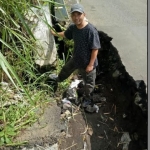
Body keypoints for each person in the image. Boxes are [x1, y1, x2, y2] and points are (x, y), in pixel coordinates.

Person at [51, 3, 101, 107]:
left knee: (89, 83)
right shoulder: (73, 28)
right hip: (77, 58)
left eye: (79, 14)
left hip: (87, 63)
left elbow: (95, 49)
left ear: (84, 14)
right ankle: (58, 79)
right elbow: (65, 34)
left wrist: (91, 65)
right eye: (74, 15)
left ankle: (88, 99)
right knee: (66, 69)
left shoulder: (90, 30)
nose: (76, 17)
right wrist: (55, 33)